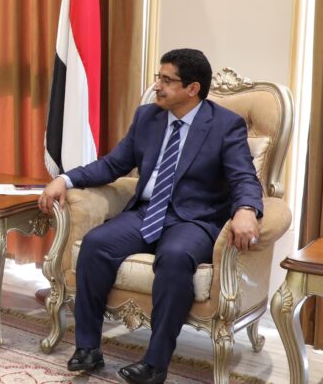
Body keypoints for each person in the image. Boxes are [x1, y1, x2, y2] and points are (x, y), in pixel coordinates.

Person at [38, 48, 263, 384]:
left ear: (192, 89)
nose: (157, 86)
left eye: (167, 80)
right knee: (96, 245)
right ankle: (88, 349)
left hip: (193, 220)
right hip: (146, 212)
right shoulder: (148, 117)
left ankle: (155, 364)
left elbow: (244, 177)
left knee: (175, 258)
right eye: (159, 77)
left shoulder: (224, 126)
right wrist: (65, 179)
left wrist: (246, 210)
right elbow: (113, 164)